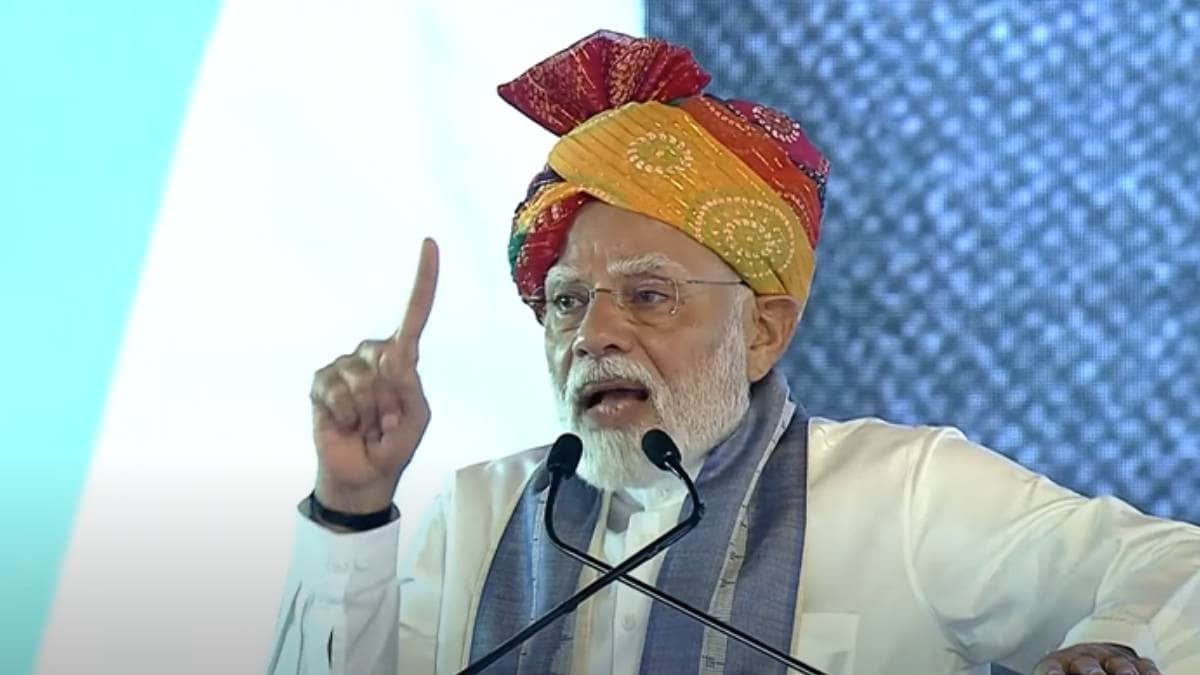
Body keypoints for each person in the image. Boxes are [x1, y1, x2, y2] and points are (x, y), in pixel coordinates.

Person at [266, 30, 1199, 675]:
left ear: (763, 330)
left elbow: (1175, 566)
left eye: (648, 295)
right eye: (567, 302)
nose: (593, 334)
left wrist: (1116, 650)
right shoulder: (482, 513)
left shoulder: (905, 495)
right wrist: (352, 501)